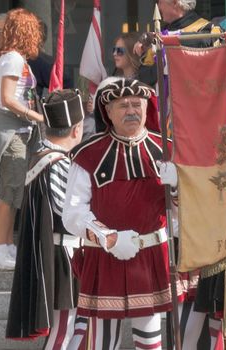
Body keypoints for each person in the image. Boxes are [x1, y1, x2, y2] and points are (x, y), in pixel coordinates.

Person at [62, 78, 172, 350]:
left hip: (150, 256)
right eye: (123, 105)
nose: (132, 111)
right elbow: (73, 212)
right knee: (102, 343)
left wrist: (180, 189)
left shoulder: (166, 150)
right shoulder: (89, 153)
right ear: (107, 111)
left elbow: (184, 214)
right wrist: (108, 237)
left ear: (148, 108)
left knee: (150, 342)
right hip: (104, 256)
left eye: (137, 104)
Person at [6, 89, 85, 349]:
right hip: (63, 254)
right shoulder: (59, 162)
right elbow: (69, 213)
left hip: (56, 251)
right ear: (76, 130)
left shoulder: (40, 157)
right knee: (62, 331)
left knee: (76, 327)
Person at [0, 8, 44, 270]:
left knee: (13, 191)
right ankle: (1, 248)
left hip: (19, 131)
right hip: (13, 131)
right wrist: (35, 116)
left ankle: (5, 244)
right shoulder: (13, 59)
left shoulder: (13, 59)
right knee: (10, 191)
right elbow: (7, 98)